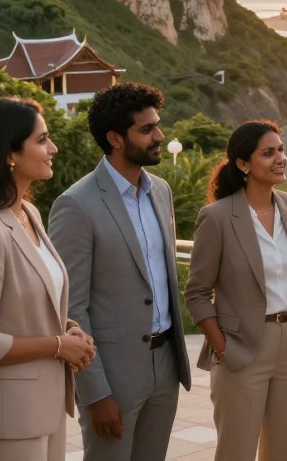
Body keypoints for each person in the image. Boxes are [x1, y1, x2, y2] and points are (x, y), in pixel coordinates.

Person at [0, 97, 97, 460]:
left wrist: (69, 330)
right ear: (9, 154)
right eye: (42, 140)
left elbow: (27, 305)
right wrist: (58, 345)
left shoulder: (29, 213)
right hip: (8, 420)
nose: (53, 148)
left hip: (47, 409)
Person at [49, 83, 191, 461]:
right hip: (113, 373)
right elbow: (71, 307)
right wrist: (95, 393)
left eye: (157, 125)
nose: (160, 136)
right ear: (115, 138)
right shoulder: (76, 205)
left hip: (165, 365)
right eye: (147, 129)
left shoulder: (160, 191)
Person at [185, 120, 287, 461]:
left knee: (283, 452)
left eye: (281, 150)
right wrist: (222, 348)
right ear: (243, 164)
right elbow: (197, 293)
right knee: (236, 452)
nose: (280, 158)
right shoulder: (217, 217)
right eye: (268, 153)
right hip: (242, 347)